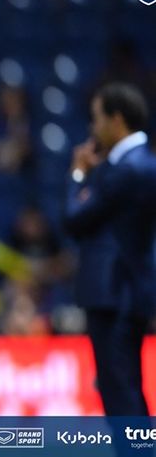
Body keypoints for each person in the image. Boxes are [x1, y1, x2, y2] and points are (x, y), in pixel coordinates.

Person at [64, 82, 156, 415]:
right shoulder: (130, 165)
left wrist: (77, 173)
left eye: (97, 118)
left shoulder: (128, 168)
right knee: (121, 391)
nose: (93, 128)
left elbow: (75, 220)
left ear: (116, 119)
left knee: (122, 394)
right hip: (120, 295)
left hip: (116, 296)